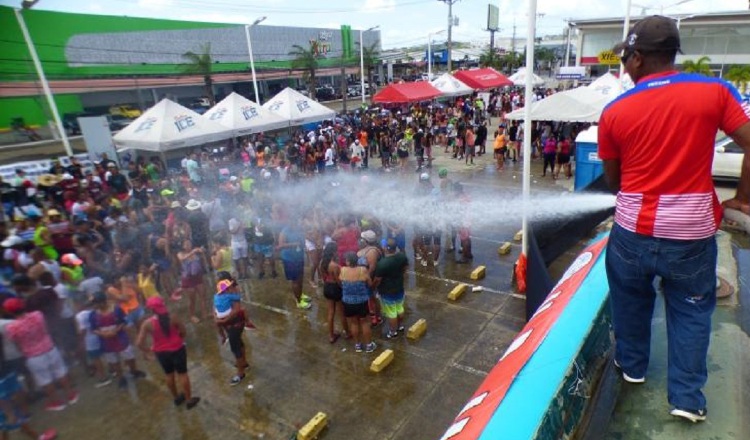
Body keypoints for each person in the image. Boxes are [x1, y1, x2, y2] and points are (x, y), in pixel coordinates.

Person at [598, 15, 750, 424]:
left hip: (632, 233)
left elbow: (614, 181)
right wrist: (743, 197)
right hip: (691, 235)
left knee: (630, 302)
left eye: (626, 58)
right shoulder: (716, 91)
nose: (624, 66)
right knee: (691, 310)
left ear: (638, 59)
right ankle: (686, 398)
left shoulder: (615, 110)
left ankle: (633, 367)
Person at [3, 298, 79, 412]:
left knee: (45, 380)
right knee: (61, 371)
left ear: (9, 312)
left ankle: (56, 402)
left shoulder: (12, 327)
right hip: (49, 348)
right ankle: (71, 395)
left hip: (33, 356)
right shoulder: (37, 315)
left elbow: (16, 343)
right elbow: (45, 329)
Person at [136, 297, 200, 409]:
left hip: (161, 353)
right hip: (177, 349)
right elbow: (183, 331)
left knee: (169, 374)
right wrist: (180, 338)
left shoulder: (147, 323)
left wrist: (148, 351)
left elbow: (139, 343)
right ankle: (189, 399)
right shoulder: (172, 318)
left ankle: (176, 398)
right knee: (183, 374)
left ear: (151, 310)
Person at [212, 278, 249, 386]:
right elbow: (214, 310)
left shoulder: (229, 297)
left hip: (235, 325)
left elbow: (236, 310)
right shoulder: (223, 297)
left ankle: (240, 373)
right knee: (239, 342)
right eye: (230, 287)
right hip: (230, 325)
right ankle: (244, 363)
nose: (233, 288)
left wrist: (222, 320)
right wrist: (218, 319)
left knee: (235, 347)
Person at [339, 252, 376, 354]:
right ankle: (369, 345)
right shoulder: (362, 270)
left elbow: (341, 283)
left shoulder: (343, 270)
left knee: (354, 323)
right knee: (364, 322)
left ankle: (357, 345)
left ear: (348, 261)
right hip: (361, 301)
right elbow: (370, 284)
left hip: (348, 301)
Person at [373, 238, 409, 338]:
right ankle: (400, 326)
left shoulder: (382, 263)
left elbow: (377, 280)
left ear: (385, 248)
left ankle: (393, 332)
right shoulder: (402, 256)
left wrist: (372, 287)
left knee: (391, 313)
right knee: (399, 308)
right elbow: (405, 268)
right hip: (399, 288)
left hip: (387, 292)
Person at [277, 222, 311, 310]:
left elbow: (302, 240)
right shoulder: (285, 231)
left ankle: (300, 294)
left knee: (300, 278)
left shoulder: (299, 229)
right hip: (290, 259)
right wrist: (293, 244)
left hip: (299, 257)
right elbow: (280, 246)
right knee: (295, 280)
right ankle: (298, 301)